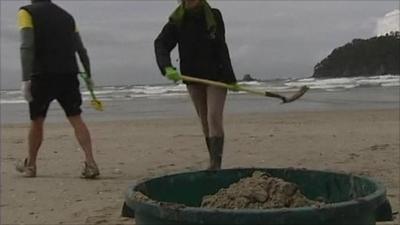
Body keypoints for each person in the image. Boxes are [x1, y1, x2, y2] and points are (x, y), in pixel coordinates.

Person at [16, 0, 99, 178]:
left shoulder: (26, 13)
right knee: (76, 118)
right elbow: (80, 48)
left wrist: (25, 79)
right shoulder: (67, 17)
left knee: (37, 120)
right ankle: (90, 163)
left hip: (42, 75)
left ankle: (31, 166)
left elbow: (27, 46)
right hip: (68, 73)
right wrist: (88, 74)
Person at [155, 0, 237, 170]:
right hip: (193, 77)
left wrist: (231, 78)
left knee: (213, 117)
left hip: (217, 76)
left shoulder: (213, 15)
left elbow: (222, 46)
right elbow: (161, 44)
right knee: (205, 120)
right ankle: (212, 160)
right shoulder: (177, 21)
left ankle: (215, 164)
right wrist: (166, 67)